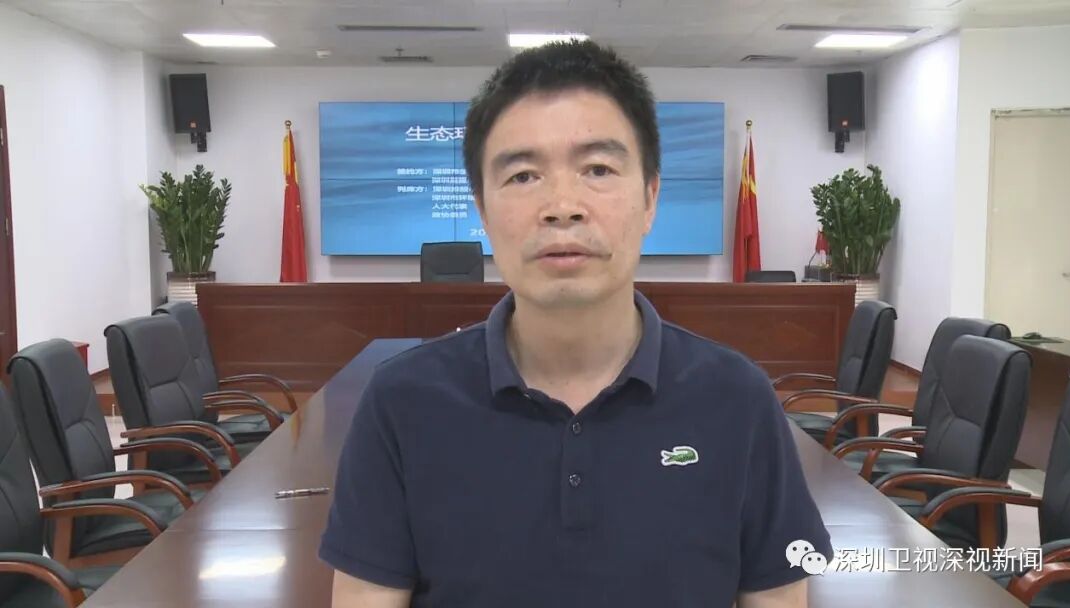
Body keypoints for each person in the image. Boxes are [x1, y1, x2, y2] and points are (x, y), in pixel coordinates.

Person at [319, 39, 832, 608]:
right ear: (482, 210)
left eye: (598, 168)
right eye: (522, 176)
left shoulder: (737, 398)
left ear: (650, 198)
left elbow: (778, 597)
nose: (562, 205)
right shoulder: (400, 402)